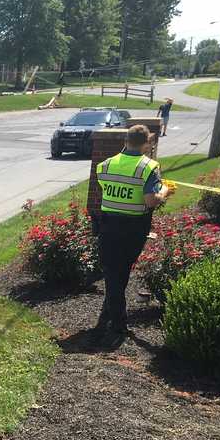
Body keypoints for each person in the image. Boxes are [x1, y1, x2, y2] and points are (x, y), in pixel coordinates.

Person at [92, 124, 169, 349]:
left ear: (125, 140)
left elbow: (108, 191)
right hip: (133, 227)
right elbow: (150, 200)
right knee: (119, 271)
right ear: (147, 143)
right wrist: (164, 192)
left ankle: (110, 308)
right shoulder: (149, 167)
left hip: (108, 225)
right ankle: (117, 323)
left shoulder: (105, 165)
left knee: (114, 270)